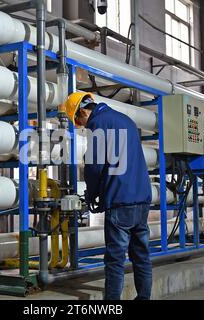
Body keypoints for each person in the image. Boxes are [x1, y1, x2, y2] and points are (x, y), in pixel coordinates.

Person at [64, 92, 152, 299]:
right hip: (142, 198)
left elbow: (95, 166)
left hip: (121, 201)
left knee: (115, 259)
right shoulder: (125, 120)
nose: (82, 126)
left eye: (79, 122)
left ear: (83, 111)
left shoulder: (99, 123)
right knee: (141, 256)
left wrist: (91, 193)